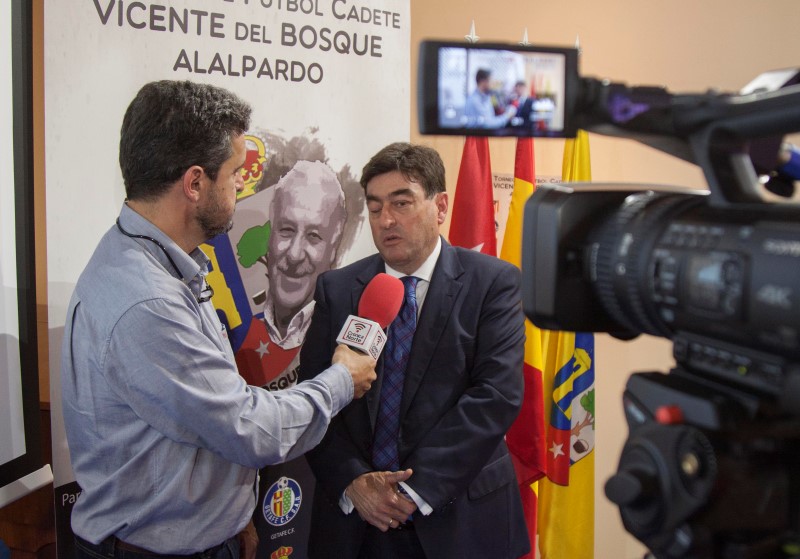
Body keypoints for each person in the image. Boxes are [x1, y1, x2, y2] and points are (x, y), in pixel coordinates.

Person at [60, 80, 377, 559]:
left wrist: (229, 518)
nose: (238, 190)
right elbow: (249, 428)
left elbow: (200, 421)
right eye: (233, 175)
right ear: (194, 183)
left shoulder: (162, 260)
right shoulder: (148, 303)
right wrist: (341, 380)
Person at [298, 142, 529, 559]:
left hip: (460, 519)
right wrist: (354, 483)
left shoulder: (493, 283)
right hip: (357, 524)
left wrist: (411, 491)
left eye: (401, 203)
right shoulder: (338, 289)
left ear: (440, 206)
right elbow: (313, 396)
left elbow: (496, 396)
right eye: (374, 207)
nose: (386, 220)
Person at [235, 161, 347, 388]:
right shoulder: (230, 328)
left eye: (314, 236)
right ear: (270, 234)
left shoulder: (347, 333)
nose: (295, 255)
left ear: (333, 248)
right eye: (286, 230)